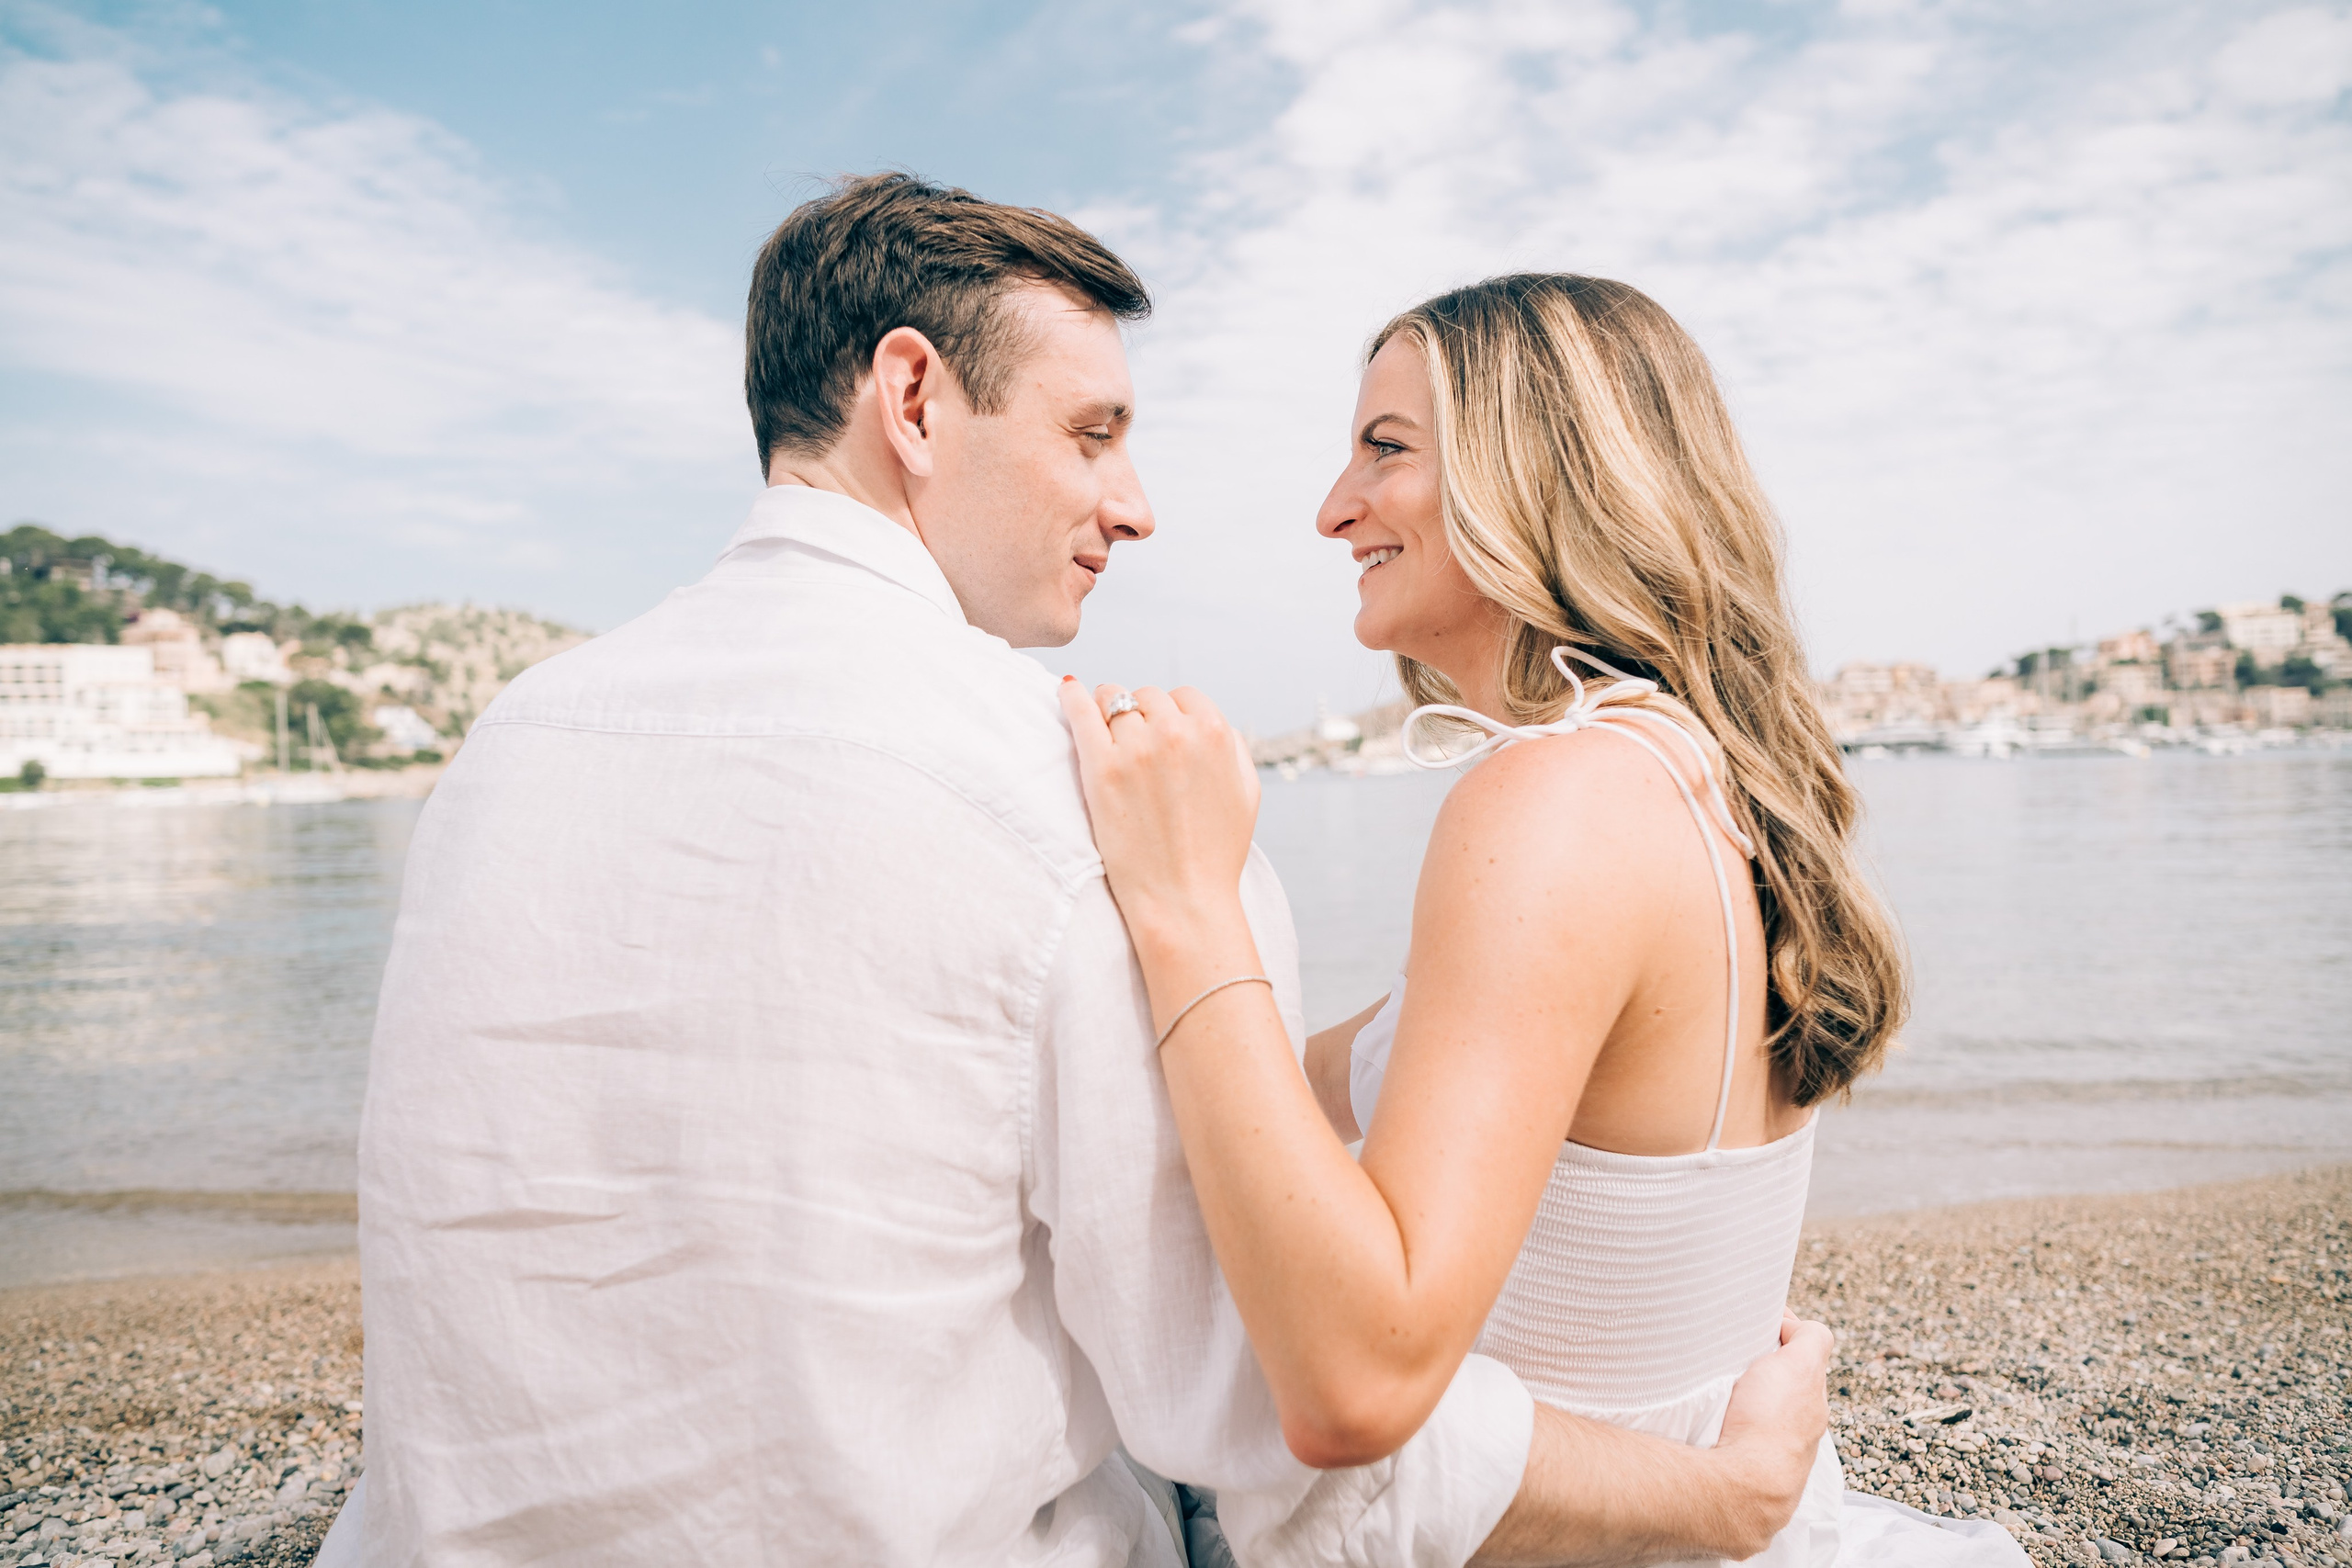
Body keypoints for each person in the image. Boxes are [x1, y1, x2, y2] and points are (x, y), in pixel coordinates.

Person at [320, 179, 1835, 1567]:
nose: (1141, 505)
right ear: (912, 397)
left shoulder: (508, 739)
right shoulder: (1081, 796)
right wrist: (1723, 1497)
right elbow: (1288, 1435)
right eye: (1092, 433)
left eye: (1382, 448)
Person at [1057, 274, 2033, 1566]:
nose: (1332, 507)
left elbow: (1361, 1378)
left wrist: (1188, 902)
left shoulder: (1556, 802)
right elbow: (1288, 1093)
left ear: (1541, 475)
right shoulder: (1689, 778)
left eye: (1385, 449)